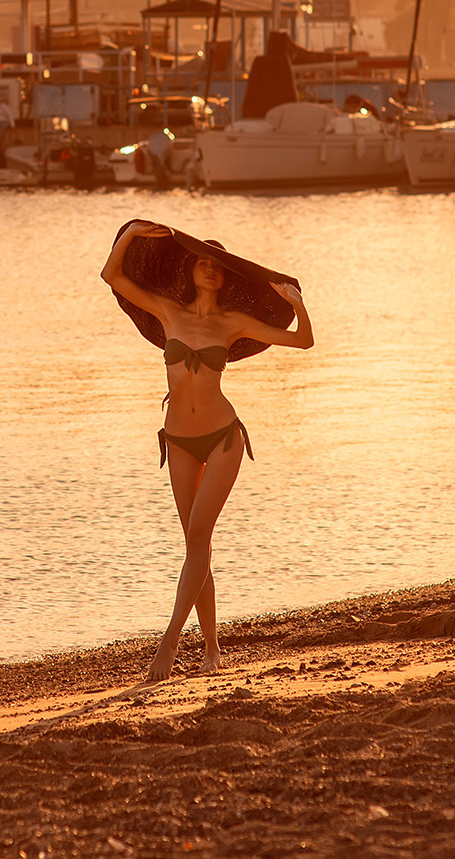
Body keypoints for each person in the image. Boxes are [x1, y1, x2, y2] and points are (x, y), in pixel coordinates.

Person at [100, 220, 314, 684]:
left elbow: (303, 341)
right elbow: (111, 277)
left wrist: (299, 307)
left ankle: (170, 643)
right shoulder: (167, 311)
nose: (210, 270)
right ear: (189, 270)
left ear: (226, 277)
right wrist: (133, 233)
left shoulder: (232, 323)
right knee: (196, 546)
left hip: (221, 437)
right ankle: (213, 649)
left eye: (218, 265)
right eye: (202, 262)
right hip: (177, 440)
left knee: (198, 536)